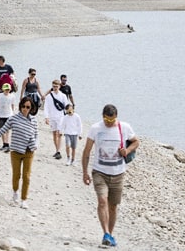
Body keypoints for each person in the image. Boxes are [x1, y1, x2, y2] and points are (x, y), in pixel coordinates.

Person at [82, 104, 140, 248]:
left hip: (118, 173)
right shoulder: (95, 128)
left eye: (112, 120)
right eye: (106, 120)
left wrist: (127, 150)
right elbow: (86, 152)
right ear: (103, 117)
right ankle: (106, 233)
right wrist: (85, 172)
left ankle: (110, 234)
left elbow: (136, 141)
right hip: (99, 172)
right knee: (102, 201)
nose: (109, 123)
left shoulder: (124, 127)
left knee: (113, 206)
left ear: (116, 117)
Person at [0, 96, 39, 209]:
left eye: (28, 107)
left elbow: (36, 135)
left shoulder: (34, 120)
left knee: (26, 176)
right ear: (20, 106)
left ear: (31, 108)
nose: (25, 109)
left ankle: (24, 199)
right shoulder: (13, 119)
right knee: (16, 175)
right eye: (23, 106)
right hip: (16, 151)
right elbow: (1, 131)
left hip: (29, 151)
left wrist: (36, 145)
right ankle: (15, 192)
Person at [42, 79, 68, 160]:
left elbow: (66, 107)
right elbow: (46, 107)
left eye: (56, 86)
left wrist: (68, 117)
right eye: (53, 86)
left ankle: (58, 151)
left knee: (59, 134)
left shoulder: (63, 96)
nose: (55, 88)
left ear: (59, 86)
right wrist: (46, 117)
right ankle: (57, 150)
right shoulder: (49, 96)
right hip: (52, 117)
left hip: (61, 117)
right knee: (54, 134)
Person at [0, 83, 16, 152]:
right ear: (3, 89)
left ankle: (7, 144)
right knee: (2, 130)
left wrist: (13, 114)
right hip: (1, 115)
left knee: (7, 130)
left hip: (9, 115)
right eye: (5, 89)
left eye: (8, 89)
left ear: (10, 89)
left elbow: (12, 105)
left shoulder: (12, 96)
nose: (7, 91)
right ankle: (4, 144)